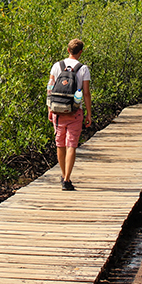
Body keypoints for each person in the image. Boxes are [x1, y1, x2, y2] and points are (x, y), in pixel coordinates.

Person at [47, 38, 92, 190]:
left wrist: (49, 109)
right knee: (71, 144)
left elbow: (50, 88)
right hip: (74, 111)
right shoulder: (83, 69)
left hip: (57, 112)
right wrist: (88, 114)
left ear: (68, 50)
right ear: (81, 52)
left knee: (60, 144)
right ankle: (67, 179)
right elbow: (86, 93)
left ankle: (63, 174)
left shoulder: (56, 66)